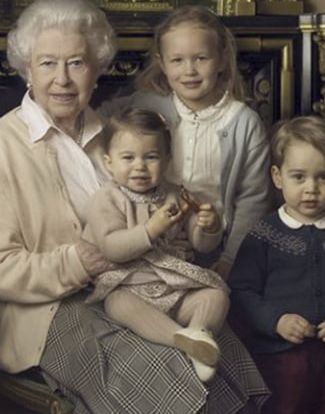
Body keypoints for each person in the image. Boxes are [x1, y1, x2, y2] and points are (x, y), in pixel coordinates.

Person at [0, 0, 268, 413]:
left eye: (77, 63)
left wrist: (193, 229)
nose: (62, 79)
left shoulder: (118, 135)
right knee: (165, 370)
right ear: (27, 69)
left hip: (141, 282)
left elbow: (163, 217)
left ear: (97, 68)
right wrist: (76, 263)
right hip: (49, 311)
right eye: (48, 63)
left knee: (219, 350)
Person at [100, 5, 271, 278]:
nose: (189, 70)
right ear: (162, 63)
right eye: (177, 60)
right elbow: (100, 119)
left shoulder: (244, 123)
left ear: (222, 59)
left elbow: (252, 201)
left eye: (201, 58)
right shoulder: (147, 105)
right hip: (152, 240)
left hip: (214, 246)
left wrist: (229, 260)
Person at [82, 108, 229, 382]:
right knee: (117, 304)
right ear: (109, 162)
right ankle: (183, 340)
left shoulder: (177, 194)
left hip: (175, 287)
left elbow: (201, 247)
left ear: (167, 159)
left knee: (216, 296)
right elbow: (111, 247)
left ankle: (199, 331)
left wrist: (208, 227)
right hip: (130, 285)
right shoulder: (106, 200)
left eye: (151, 157)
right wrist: (150, 230)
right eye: (128, 158)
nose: (140, 166)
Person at [228, 116, 325, 413]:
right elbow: (240, 292)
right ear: (278, 177)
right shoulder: (264, 234)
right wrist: (276, 321)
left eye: (323, 177)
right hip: (279, 359)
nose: (311, 188)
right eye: (298, 177)